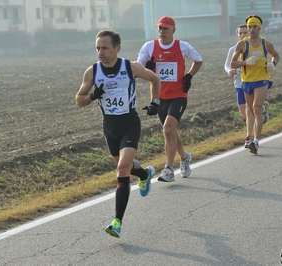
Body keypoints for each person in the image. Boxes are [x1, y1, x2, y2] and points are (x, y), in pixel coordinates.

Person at [75, 30, 161, 238]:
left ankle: (117, 222)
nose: (100, 52)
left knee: (122, 168)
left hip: (130, 124)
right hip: (110, 128)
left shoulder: (130, 67)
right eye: (97, 48)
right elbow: (79, 99)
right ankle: (144, 174)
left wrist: (155, 102)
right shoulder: (92, 72)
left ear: (117, 49)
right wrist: (93, 95)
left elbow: (155, 80)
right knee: (126, 167)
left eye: (105, 48)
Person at [137, 16, 203, 182]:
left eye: (166, 28)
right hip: (160, 97)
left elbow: (198, 61)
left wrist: (189, 76)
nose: (162, 31)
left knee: (167, 129)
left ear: (174, 30)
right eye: (160, 28)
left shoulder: (183, 46)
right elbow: (137, 68)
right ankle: (185, 157)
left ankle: (168, 169)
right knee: (171, 132)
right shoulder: (150, 46)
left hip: (179, 95)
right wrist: (147, 68)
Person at [230, 15, 279, 154]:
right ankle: (263, 108)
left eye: (254, 27)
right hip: (246, 81)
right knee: (251, 111)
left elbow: (276, 55)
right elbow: (232, 63)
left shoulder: (266, 44)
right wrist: (245, 62)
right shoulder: (242, 44)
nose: (252, 29)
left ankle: (256, 141)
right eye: (250, 27)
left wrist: (272, 63)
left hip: (262, 79)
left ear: (259, 28)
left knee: (256, 109)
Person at [225, 24, 269, 148]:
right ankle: (262, 110)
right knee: (243, 111)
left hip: (253, 81)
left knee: (250, 110)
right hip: (239, 83)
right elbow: (228, 64)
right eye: (240, 33)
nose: (243, 35)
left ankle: (249, 136)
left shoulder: (252, 46)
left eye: (245, 32)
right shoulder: (233, 49)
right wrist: (229, 71)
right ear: (237, 35)